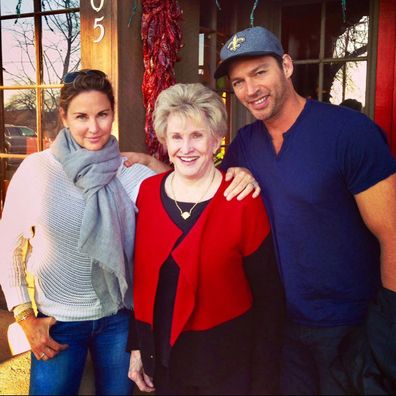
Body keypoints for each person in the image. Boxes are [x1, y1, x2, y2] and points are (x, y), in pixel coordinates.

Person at [214, 26, 396, 395]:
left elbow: (392, 234)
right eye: (238, 82)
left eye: (260, 72)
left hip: (350, 328)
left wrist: (387, 329)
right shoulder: (244, 146)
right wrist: (144, 166)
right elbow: (202, 189)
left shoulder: (349, 133)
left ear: (286, 65)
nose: (250, 90)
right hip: (280, 329)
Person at [0, 69, 156, 395]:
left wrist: (151, 163)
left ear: (113, 113)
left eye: (102, 114)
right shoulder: (37, 170)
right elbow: (9, 246)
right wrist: (25, 316)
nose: (94, 127)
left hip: (117, 320)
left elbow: (188, 193)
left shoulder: (129, 173)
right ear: (64, 116)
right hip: (58, 323)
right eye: (81, 116)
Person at [127, 83, 284, 395]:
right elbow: (143, 281)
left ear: (216, 140)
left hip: (226, 365)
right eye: (176, 137)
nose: (186, 148)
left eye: (197, 135)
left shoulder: (242, 199)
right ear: (164, 140)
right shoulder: (147, 193)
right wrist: (137, 349)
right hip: (164, 361)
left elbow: (269, 299)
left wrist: (263, 381)